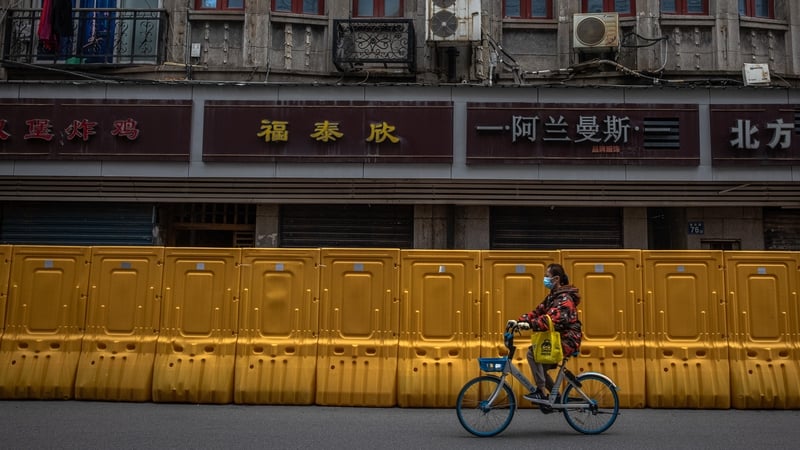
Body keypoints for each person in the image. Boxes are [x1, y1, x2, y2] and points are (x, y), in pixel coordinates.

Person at [516, 263, 582, 401]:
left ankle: (540, 391)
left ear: (556, 279)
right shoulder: (553, 297)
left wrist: (529, 325)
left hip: (568, 340)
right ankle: (555, 397)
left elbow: (552, 320)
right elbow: (537, 312)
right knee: (540, 367)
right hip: (558, 339)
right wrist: (519, 321)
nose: (545, 279)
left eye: (547, 276)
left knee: (533, 353)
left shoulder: (565, 299)